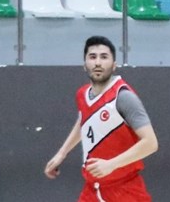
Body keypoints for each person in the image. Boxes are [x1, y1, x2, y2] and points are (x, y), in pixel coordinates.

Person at [45, 36, 159, 201]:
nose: (98, 62)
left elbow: (151, 143)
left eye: (104, 57)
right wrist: (62, 153)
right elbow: (85, 121)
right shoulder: (82, 94)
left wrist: (111, 164)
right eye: (92, 57)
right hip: (92, 189)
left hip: (125, 189)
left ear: (114, 65)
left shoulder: (123, 97)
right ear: (85, 65)